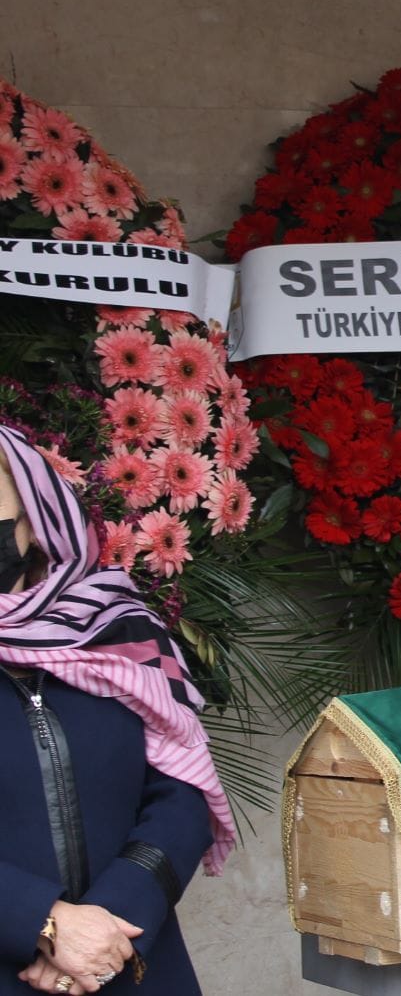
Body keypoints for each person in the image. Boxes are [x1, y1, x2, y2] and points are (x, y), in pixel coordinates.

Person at [0, 425, 235, 995]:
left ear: (35, 515)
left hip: (130, 963)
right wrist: (44, 922)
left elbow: (180, 793)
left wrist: (110, 919)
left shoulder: (118, 630)